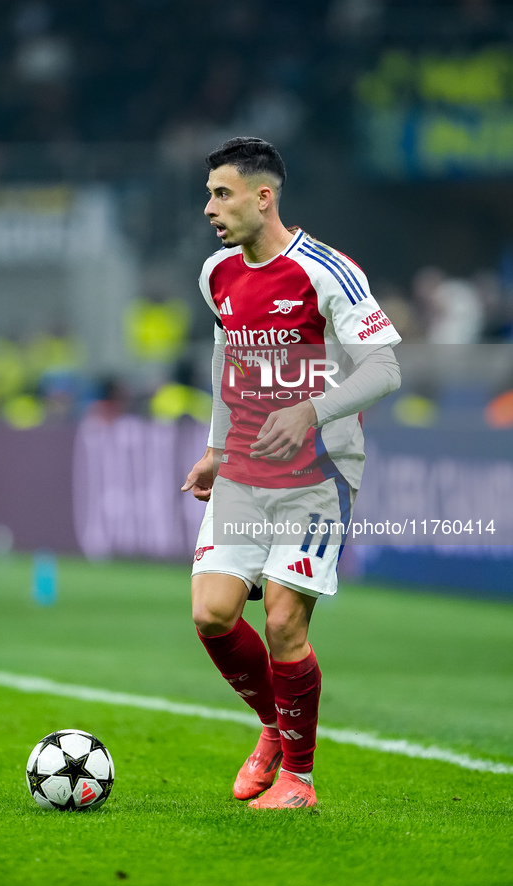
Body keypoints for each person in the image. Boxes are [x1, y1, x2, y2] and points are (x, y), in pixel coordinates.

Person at [181, 137, 401, 809]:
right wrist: (217, 449)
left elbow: (384, 369)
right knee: (212, 613)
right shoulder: (216, 272)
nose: (209, 208)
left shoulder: (326, 271)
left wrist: (310, 410)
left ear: (262, 196)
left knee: (282, 624)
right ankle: (272, 728)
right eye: (209, 194)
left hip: (318, 470)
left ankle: (298, 781)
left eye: (221, 193)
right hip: (245, 465)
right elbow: (228, 360)